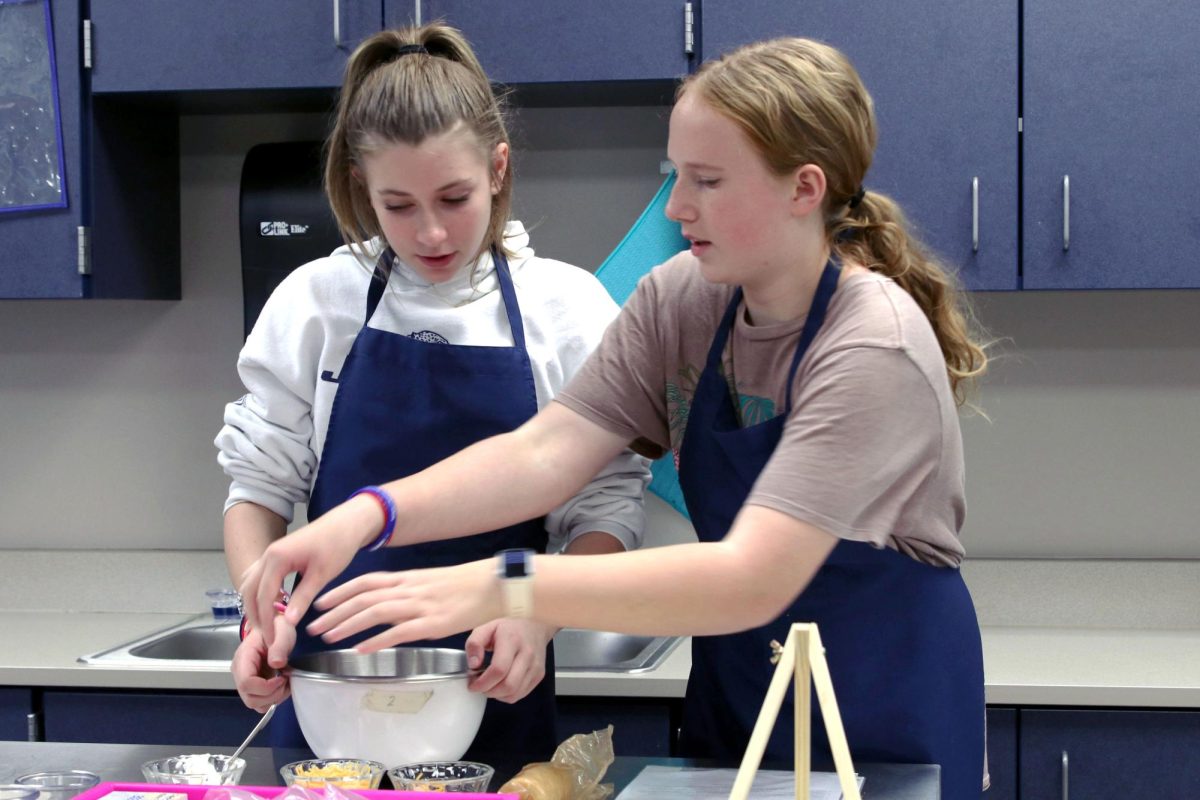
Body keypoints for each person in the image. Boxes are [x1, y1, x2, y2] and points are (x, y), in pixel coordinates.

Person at [241, 36, 990, 795]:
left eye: (706, 180)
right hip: (739, 698)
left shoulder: (873, 345)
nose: (676, 207)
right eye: (675, 176)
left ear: (804, 189)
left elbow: (752, 576)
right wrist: (368, 517)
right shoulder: (686, 298)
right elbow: (547, 451)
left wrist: (508, 587)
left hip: (886, 716)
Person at [215, 22, 651, 760]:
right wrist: (266, 617)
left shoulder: (566, 309)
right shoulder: (318, 302)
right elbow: (257, 486)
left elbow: (604, 507)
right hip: (329, 693)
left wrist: (538, 617)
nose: (431, 232)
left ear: (499, 169)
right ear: (362, 187)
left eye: (454, 197)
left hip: (494, 691)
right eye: (398, 205)